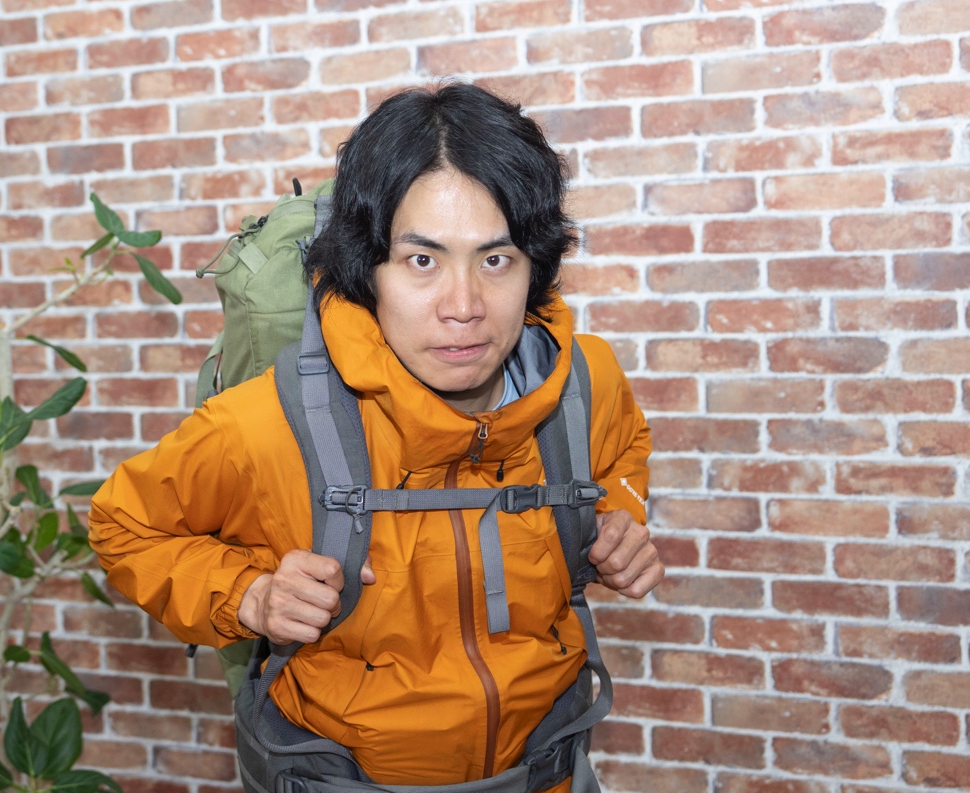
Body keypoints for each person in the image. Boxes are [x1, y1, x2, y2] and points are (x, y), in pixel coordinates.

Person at [89, 82, 664, 790]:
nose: (464, 307)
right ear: (369, 269)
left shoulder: (585, 383)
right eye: (423, 261)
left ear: (534, 268)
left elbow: (624, 451)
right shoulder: (269, 423)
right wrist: (250, 596)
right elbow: (122, 524)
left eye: (496, 259)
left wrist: (620, 516)